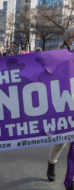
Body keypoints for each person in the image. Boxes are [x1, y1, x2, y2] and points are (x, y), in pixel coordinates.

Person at [47, 27, 74, 185]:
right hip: (64, 102)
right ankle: (52, 163)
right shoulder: (58, 56)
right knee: (61, 141)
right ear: (67, 40)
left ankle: (71, 177)